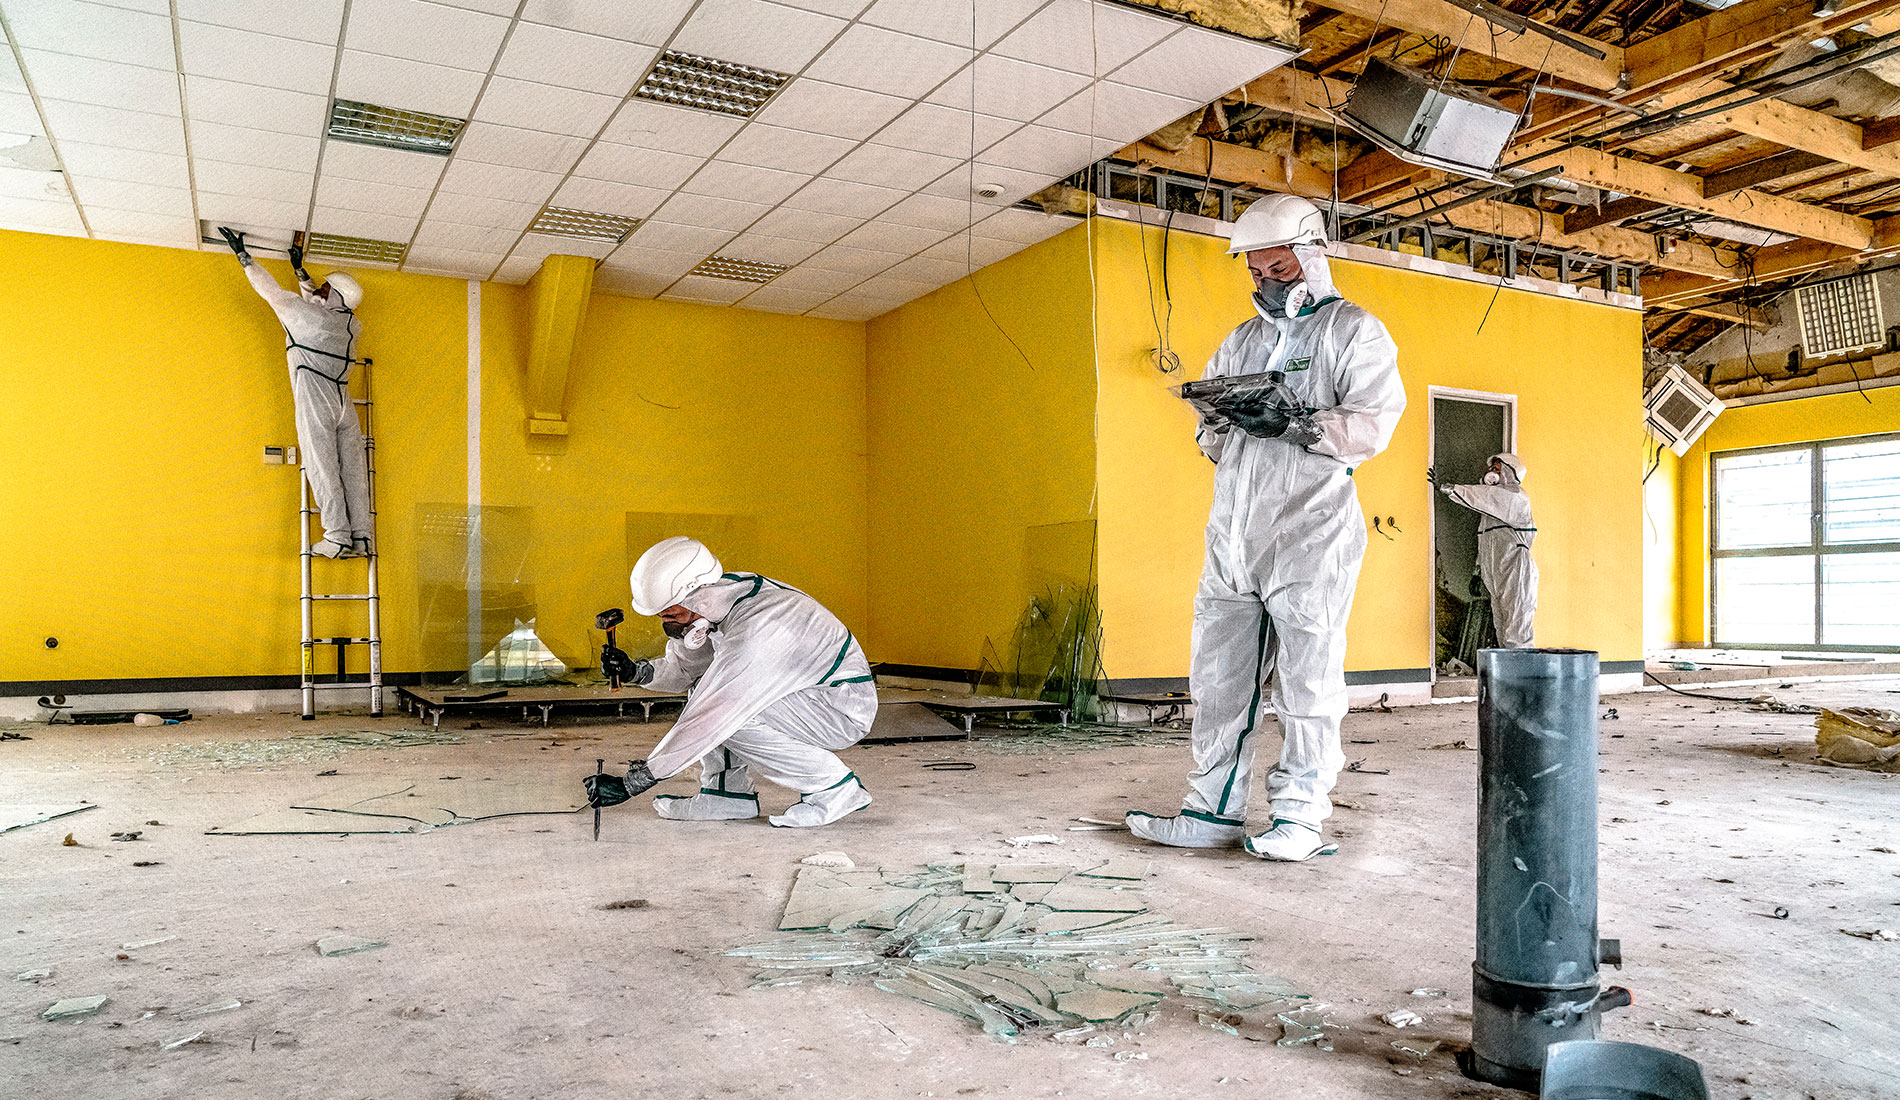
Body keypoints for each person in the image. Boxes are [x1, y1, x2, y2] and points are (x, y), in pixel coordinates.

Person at [1127, 193, 1406, 862]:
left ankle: (1300, 818)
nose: (1266, 281)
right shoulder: (1243, 340)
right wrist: (1221, 421)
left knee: (1307, 682)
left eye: (1278, 269)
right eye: (1255, 271)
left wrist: (1300, 423)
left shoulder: (1353, 330)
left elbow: (1375, 423)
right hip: (1232, 536)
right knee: (1220, 682)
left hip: (1309, 531)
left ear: (1310, 258)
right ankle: (1212, 810)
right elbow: (1215, 440)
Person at [594, 536, 876, 828]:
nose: (669, 625)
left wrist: (635, 781)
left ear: (697, 595)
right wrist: (635, 672)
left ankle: (834, 788)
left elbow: (713, 712)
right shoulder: (721, 600)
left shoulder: (758, 629)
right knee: (708, 688)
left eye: (673, 615)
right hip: (805, 696)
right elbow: (687, 669)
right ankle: (726, 794)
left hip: (838, 707)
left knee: (727, 713)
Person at [217, 227, 372, 559]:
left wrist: (245, 258)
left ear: (336, 298)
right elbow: (318, 304)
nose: (319, 290)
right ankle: (361, 536)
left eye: (326, 289)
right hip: (343, 403)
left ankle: (337, 536)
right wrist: (299, 270)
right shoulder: (351, 325)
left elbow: (273, 293)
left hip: (317, 400)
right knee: (354, 471)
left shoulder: (310, 319)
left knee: (323, 465)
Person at [1438, 453, 1537, 648]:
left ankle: (1522, 676)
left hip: (1516, 570)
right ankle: (1506, 675)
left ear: (1510, 470)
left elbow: (1486, 496)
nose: (1491, 472)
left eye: (1496, 469)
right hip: (1497, 573)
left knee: (1517, 629)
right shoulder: (1490, 513)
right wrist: (1477, 572)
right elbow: (1486, 544)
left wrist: (1451, 489)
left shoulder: (1516, 497)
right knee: (1501, 627)